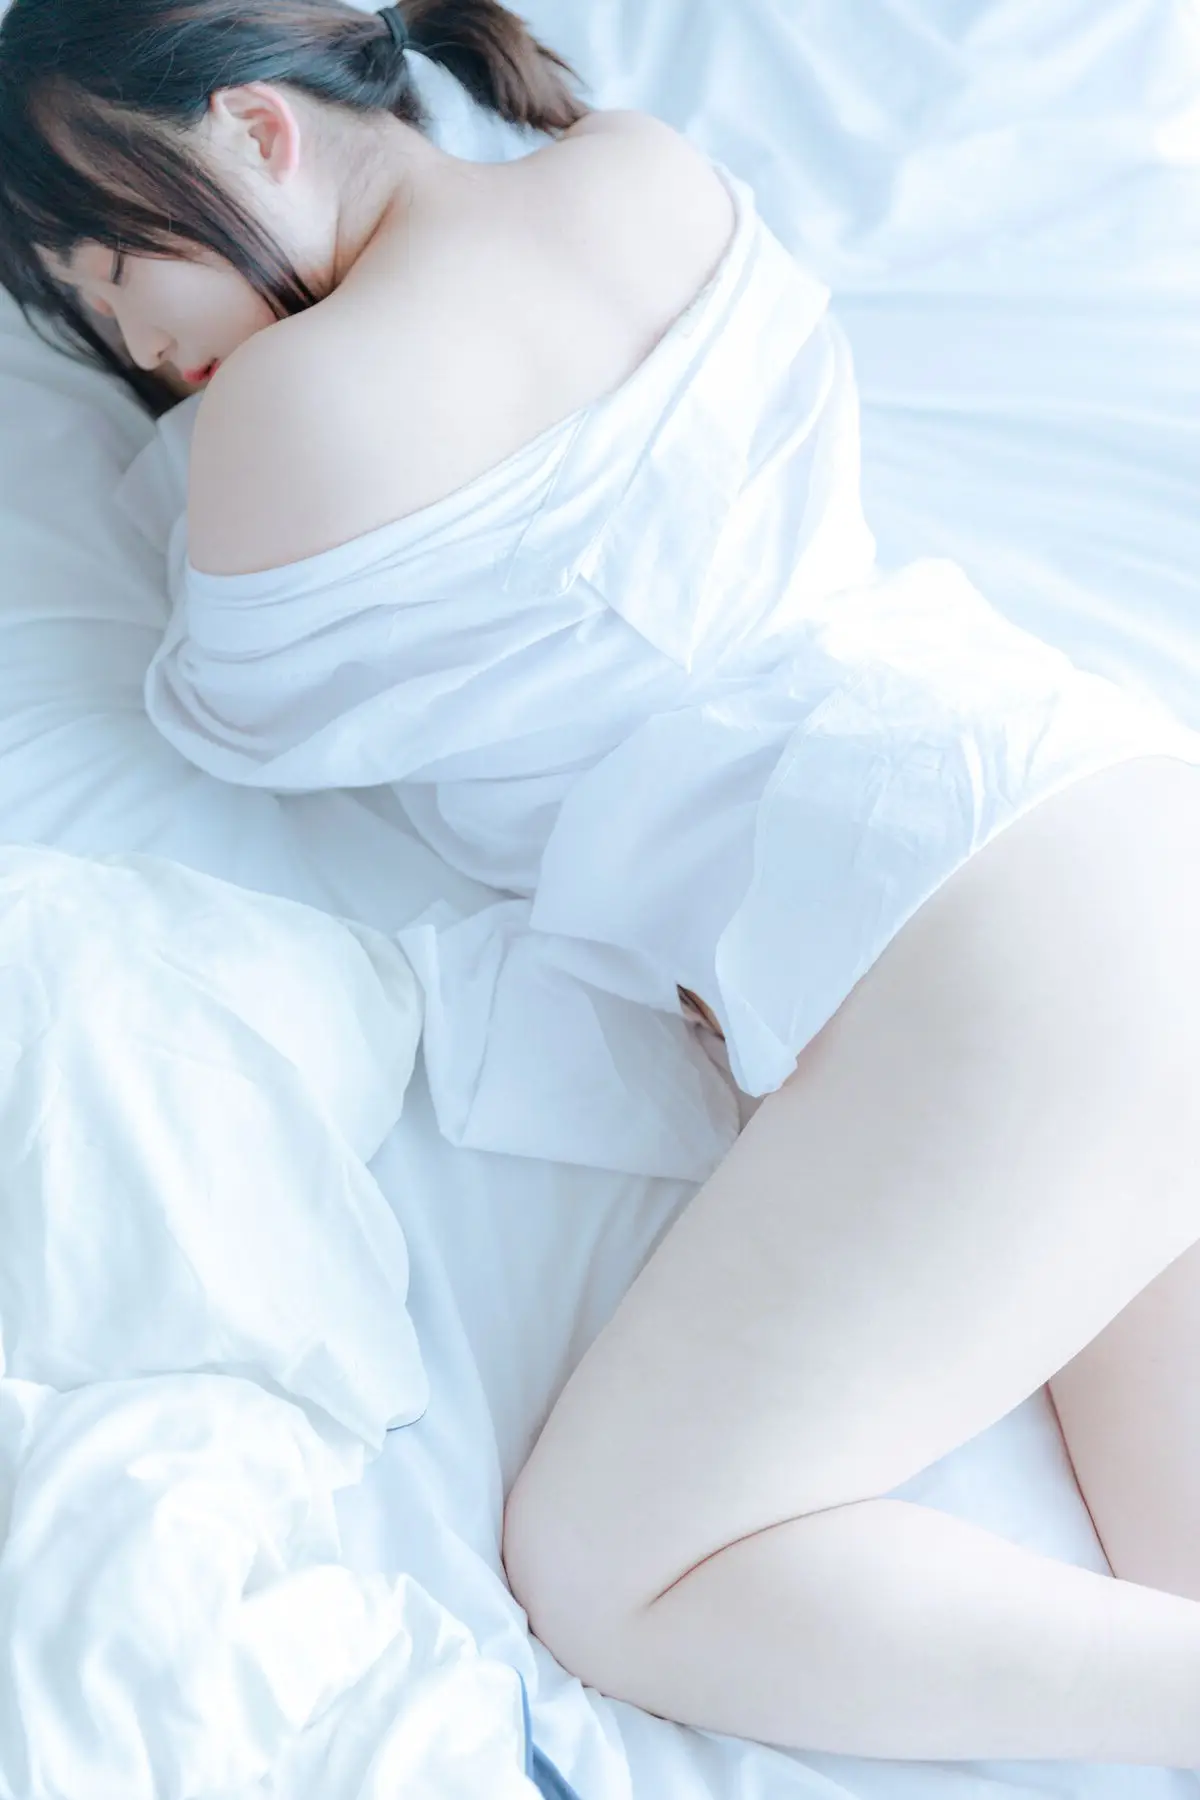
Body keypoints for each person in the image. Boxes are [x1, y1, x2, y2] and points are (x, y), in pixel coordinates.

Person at [6, 0, 1200, 1770]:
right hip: (1107, 800)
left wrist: (204, 444)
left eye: (112, 269)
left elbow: (225, 718)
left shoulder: (290, 414)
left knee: (615, 1570)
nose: (132, 341)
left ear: (256, 130)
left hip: (974, 949)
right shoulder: (644, 171)